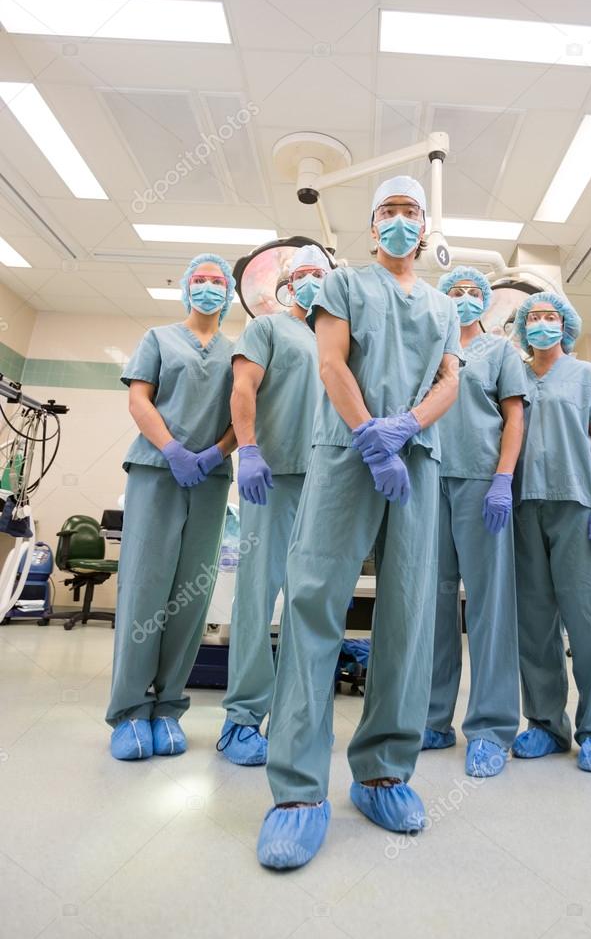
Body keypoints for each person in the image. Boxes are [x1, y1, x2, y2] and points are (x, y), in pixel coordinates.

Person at [257, 175, 461, 870]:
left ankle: (382, 774)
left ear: (425, 227)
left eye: (412, 212)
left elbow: (450, 381)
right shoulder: (342, 285)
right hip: (347, 452)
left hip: (418, 458)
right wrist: (372, 434)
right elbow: (331, 360)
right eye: (389, 213)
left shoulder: (441, 305)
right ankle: (297, 792)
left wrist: (406, 427)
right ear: (373, 229)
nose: (401, 222)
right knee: (315, 605)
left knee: (407, 615)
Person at [106, 254, 237, 760]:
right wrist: (173, 450)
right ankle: (129, 712)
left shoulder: (236, 351)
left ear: (228, 293)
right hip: (157, 472)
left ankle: (168, 708)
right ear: (186, 289)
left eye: (216, 281)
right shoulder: (159, 339)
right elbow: (140, 400)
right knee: (145, 588)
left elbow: (243, 411)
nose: (208, 288)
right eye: (199, 280)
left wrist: (215, 453)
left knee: (191, 594)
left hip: (209, 476)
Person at [217, 244, 332, 766]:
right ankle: (241, 720)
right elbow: (244, 388)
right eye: (301, 274)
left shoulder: (340, 340)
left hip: (329, 484)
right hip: (276, 477)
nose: (310, 281)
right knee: (258, 597)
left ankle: (298, 716)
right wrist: (250, 450)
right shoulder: (266, 328)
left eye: (320, 274)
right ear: (286, 284)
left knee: (312, 602)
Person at [511, 291, 591, 773]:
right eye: (532, 317)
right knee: (534, 625)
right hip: (522, 507)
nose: (540, 323)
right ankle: (544, 724)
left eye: (549, 316)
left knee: (589, 622)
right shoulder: (512, 375)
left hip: (578, 507)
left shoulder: (587, 375)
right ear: (521, 327)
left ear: (565, 325)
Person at [422, 266, 527, 777]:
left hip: (482, 485)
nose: (462, 299)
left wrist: (504, 478)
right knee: (434, 605)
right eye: (454, 292)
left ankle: (490, 729)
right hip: (429, 482)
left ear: (485, 301)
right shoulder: (429, 347)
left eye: (471, 293)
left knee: (489, 606)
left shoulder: (501, 352)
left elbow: (515, 418)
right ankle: (432, 717)